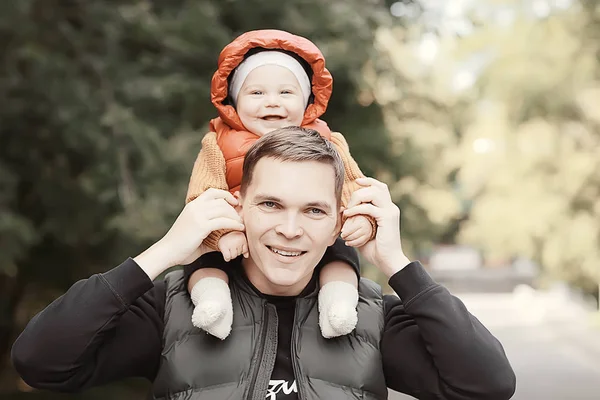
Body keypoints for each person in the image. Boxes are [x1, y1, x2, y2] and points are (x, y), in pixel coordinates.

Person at [11, 127, 516, 400]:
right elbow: (41, 362)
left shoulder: (373, 316)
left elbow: (487, 386)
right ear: (240, 206)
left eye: (314, 210)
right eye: (271, 204)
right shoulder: (172, 308)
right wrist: (166, 252)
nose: (290, 230)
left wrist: (398, 264)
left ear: (340, 219)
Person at [183, 29, 375, 340]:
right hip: (231, 232)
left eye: (286, 93)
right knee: (203, 261)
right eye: (256, 93)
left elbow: (353, 186)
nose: (272, 103)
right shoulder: (218, 144)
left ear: (307, 102)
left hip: (312, 235)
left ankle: (338, 305)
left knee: (341, 256)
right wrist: (223, 232)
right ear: (233, 100)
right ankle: (212, 303)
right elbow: (202, 194)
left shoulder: (327, 142)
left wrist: (361, 218)